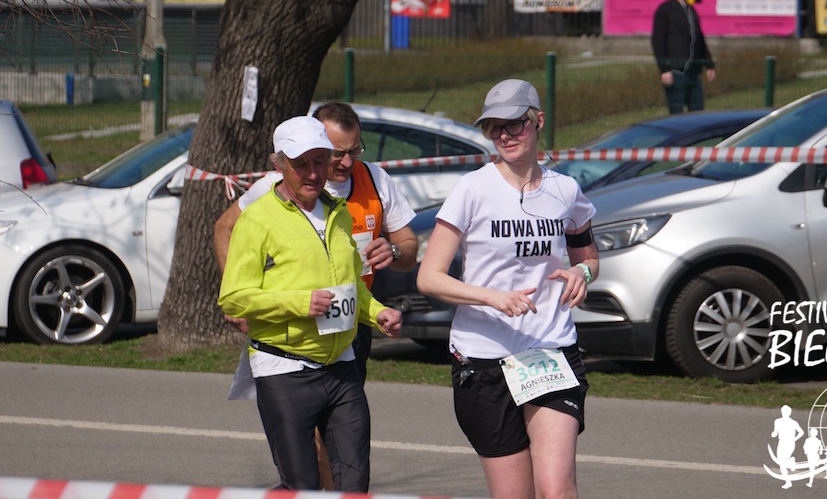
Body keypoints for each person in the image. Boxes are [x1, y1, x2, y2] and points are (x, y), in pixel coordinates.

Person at [416, 79, 599, 499]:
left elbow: (589, 259)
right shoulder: (473, 189)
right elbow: (429, 277)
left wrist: (582, 274)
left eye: (514, 124)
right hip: (484, 357)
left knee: (556, 489)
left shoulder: (565, 190)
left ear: (538, 121)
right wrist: (492, 297)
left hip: (549, 350)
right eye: (493, 127)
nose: (504, 135)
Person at [217, 115, 403, 492]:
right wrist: (300, 303)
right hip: (284, 368)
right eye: (301, 164)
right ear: (279, 165)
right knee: (302, 486)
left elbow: (351, 287)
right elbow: (234, 298)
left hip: (342, 367)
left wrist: (377, 312)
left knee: (354, 486)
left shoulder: (338, 212)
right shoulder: (258, 219)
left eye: (320, 161)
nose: (314, 173)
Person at [215, 101, 418, 381]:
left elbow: (409, 249)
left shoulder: (375, 179)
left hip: (354, 314)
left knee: (347, 404)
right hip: (294, 325)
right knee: (304, 404)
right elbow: (224, 228)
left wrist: (394, 250)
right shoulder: (277, 185)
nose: (347, 162)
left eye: (354, 150)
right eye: (337, 153)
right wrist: (239, 292)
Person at [651, 0, 716, 114]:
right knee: (677, 114)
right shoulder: (665, 10)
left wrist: (709, 64)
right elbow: (658, 41)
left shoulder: (691, 10)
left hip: (693, 71)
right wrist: (664, 69)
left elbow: (699, 38)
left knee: (697, 113)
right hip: (676, 71)